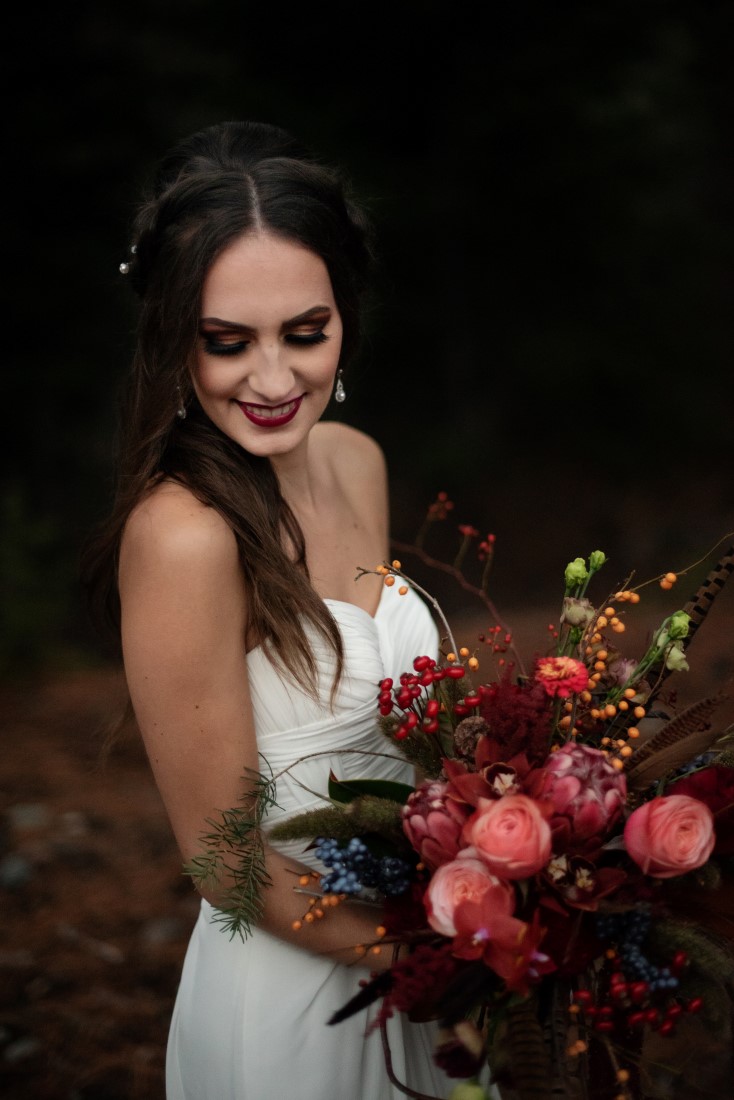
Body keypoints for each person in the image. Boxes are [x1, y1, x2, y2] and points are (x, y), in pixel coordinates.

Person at [83, 121, 455, 1100]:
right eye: (225, 341)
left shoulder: (352, 458)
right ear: (171, 336)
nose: (276, 379)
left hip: (430, 968)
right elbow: (225, 862)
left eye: (305, 330)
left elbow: (397, 729)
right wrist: (439, 959)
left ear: (345, 313)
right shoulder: (183, 535)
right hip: (293, 997)